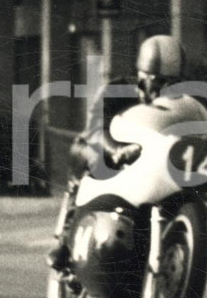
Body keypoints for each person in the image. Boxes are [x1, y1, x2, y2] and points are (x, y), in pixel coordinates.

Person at [48, 35, 186, 270]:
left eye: (172, 83)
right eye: (159, 82)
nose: (164, 90)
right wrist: (116, 150)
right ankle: (66, 239)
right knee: (92, 155)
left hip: (147, 165)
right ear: (143, 76)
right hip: (107, 150)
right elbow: (96, 127)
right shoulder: (117, 89)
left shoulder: (179, 104)